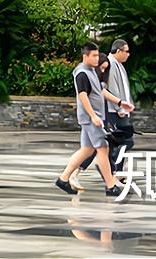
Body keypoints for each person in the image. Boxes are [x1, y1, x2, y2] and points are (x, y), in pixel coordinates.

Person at [55, 42, 124, 198]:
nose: (96, 58)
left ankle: (63, 178)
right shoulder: (82, 73)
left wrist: (119, 102)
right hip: (91, 118)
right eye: (93, 55)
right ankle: (110, 186)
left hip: (93, 118)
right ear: (85, 56)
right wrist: (93, 116)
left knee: (87, 150)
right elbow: (83, 96)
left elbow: (101, 91)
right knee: (103, 149)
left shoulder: (92, 71)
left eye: (96, 55)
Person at [94, 38, 135, 176]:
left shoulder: (119, 64)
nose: (128, 54)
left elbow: (123, 88)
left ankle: (115, 171)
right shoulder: (111, 64)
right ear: (118, 51)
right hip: (114, 111)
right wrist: (120, 108)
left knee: (119, 142)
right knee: (125, 141)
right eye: (126, 51)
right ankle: (110, 167)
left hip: (119, 110)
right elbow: (111, 89)